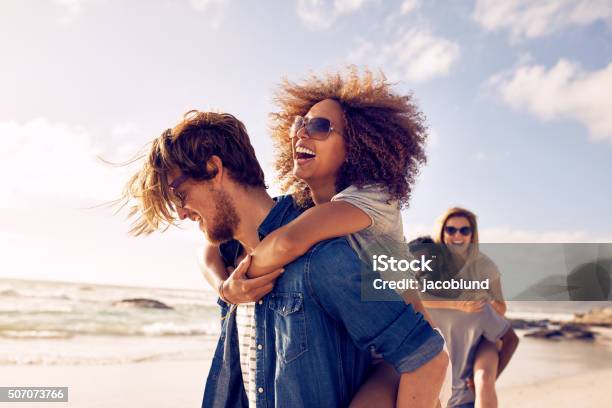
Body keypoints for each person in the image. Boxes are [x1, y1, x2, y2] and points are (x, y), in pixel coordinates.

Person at [122, 108, 448, 407]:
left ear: (213, 168)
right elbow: (206, 253)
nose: (181, 212)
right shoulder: (233, 259)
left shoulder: (320, 257)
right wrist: (225, 288)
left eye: (180, 194)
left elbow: (425, 357)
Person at [199, 68, 448, 407]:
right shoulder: (305, 206)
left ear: (357, 145)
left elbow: (286, 243)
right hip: (367, 353)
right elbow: (213, 250)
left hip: (402, 361)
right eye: (299, 123)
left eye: (319, 126)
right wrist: (221, 286)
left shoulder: (372, 198)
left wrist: (238, 286)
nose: (302, 133)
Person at [420, 208, 519, 408]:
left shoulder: (485, 266)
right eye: (451, 230)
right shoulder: (433, 262)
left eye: (464, 231)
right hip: (450, 333)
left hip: (481, 336)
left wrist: (485, 301)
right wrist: (457, 304)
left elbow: (501, 307)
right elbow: (416, 296)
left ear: (472, 235)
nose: (457, 235)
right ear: (443, 232)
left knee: (484, 381)